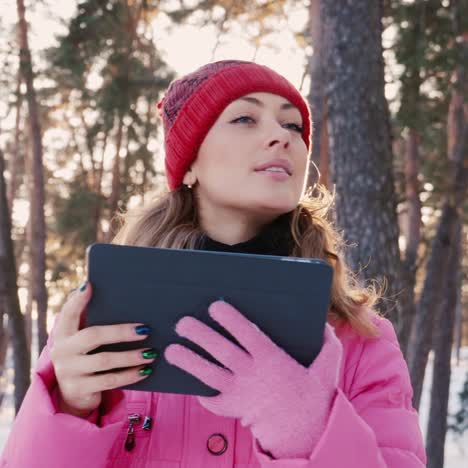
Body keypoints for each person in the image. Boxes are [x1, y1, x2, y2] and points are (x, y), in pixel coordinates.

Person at [1, 60, 427, 468]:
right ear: (188, 164)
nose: (282, 137)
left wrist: (306, 427)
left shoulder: (360, 340)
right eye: (245, 119)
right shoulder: (100, 320)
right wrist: (70, 408)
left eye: (292, 125)